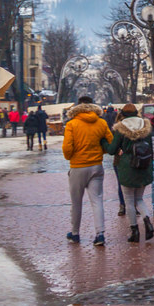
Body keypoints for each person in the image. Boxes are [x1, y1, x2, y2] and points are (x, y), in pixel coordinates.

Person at [63, 96, 113, 246]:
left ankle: (75, 233)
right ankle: (100, 234)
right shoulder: (101, 122)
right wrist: (100, 152)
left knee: (76, 202)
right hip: (96, 166)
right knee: (97, 200)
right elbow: (110, 142)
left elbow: (67, 148)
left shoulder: (72, 124)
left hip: (78, 166)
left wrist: (70, 156)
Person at [102, 104, 154, 243]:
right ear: (136, 113)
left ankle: (134, 231)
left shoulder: (121, 128)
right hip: (144, 165)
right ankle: (147, 221)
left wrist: (103, 143)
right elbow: (151, 148)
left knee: (129, 201)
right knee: (140, 198)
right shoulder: (145, 126)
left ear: (123, 114)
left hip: (127, 167)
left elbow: (112, 150)